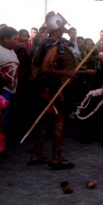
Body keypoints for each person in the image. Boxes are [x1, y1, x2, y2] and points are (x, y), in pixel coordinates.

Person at [28, 13, 77, 170]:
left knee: (46, 121)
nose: (64, 28)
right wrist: (66, 74)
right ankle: (56, 157)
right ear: (56, 27)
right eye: (62, 25)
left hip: (45, 86)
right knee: (59, 120)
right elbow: (45, 68)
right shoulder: (53, 44)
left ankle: (37, 153)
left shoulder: (46, 42)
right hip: (51, 88)